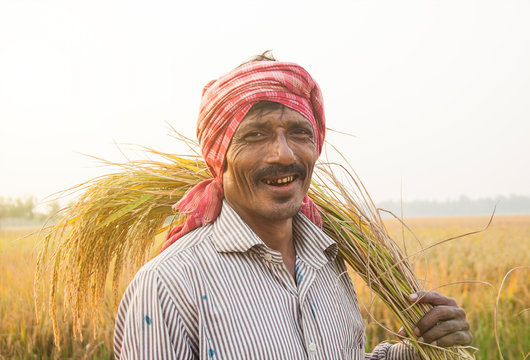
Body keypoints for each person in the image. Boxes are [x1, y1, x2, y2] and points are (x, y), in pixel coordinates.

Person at [113, 52, 472, 359]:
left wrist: (424, 347)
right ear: (218, 156)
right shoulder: (168, 285)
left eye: (299, 132)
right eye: (255, 134)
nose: (283, 154)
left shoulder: (328, 258)